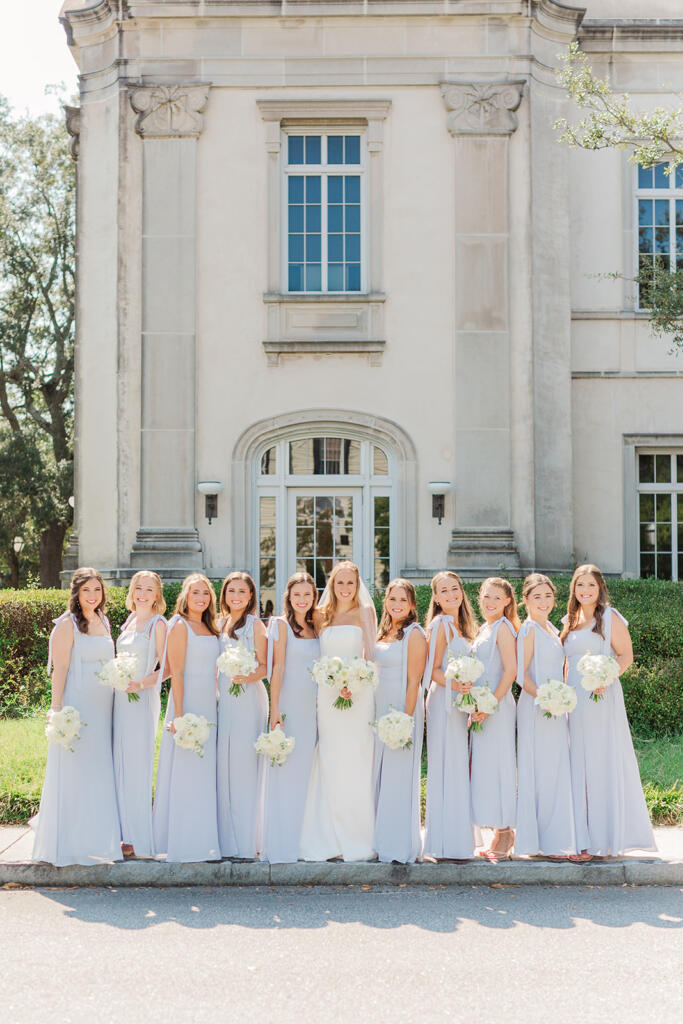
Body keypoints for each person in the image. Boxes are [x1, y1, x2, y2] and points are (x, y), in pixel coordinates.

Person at [562, 564, 655, 860]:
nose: (585, 590)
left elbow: (625, 655)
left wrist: (606, 678)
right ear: (574, 589)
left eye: (590, 585)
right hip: (573, 701)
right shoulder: (569, 619)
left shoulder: (610, 617)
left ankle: (603, 840)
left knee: (600, 762)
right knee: (577, 764)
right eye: (580, 585)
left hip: (600, 696)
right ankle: (582, 838)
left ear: (600, 588)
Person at [32, 567, 122, 866]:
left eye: (97, 590)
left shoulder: (105, 620)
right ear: (76, 593)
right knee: (75, 769)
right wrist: (56, 710)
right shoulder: (67, 625)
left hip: (103, 707)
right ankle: (69, 841)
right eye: (87, 590)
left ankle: (96, 839)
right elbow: (60, 669)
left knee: (99, 770)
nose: (93, 596)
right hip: (78, 706)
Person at [300, 560, 378, 862]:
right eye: (339, 583)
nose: (345, 588)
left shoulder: (366, 613)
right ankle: (326, 833)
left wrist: (357, 682)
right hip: (328, 695)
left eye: (350, 583)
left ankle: (359, 835)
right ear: (331, 585)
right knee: (330, 756)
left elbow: (370, 656)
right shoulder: (322, 615)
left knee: (357, 758)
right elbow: (318, 654)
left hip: (359, 697)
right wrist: (332, 681)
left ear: (358, 585)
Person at [153, 574, 220, 863]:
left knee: (205, 772)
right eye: (196, 592)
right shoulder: (178, 625)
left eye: (205, 593)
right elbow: (176, 673)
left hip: (209, 703)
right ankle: (182, 840)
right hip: (187, 702)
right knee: (186, 769)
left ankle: (203, 838)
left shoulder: (210, 626)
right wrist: (179, 716)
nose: (201, 598)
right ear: (185, 595)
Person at [261, 572, 320, 864]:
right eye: (297, 595)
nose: (302, 600)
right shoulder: (281, 626)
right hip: (290, 705)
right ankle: (282, 840)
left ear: (314, 597)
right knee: (287, 769)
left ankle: (306, 839)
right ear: (289, 596)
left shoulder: (318, 625)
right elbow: (278, 669)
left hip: (315, 706)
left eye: (307, 595)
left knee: (309, 771)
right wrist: (274, 709)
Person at [515, 574, 575, 858]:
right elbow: (520, 675)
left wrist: (561, 698)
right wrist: (545, 698)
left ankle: (555, 837)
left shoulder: (551, 628)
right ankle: (535, 840)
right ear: (524, 600)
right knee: (538, 771)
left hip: (556, 708)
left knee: (555, 770)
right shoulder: (528, 630)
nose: (543, 602)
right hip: (537, 708)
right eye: (536, 597)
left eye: (548, 596)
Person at [423, 571, 478, 860]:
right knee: (446, 765)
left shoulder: (461, 626)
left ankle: (455, 840)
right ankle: (443, 842)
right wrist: (456, 684)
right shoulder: (441, 624)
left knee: (457, 766)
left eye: (454, 589)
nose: (450, 595)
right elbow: (431, 670)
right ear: (435, 597)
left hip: (458, 703)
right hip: (443, 702)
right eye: (443, 591)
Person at [113, 571, 167, 859]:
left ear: (157, 595)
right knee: (120, 764)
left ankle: (138, 836)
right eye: (138, 588)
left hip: (141, 698)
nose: (142, 594)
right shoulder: (129, 621)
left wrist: (141, 683)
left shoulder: (159, 624)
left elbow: (167, 667)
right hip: (120, 700)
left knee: (137, 763)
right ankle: (122, 834)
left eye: (148, 589)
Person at [373, 579, 427, 864]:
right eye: (392, 599)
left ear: (412, 605)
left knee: (397, 777)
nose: (396, 605)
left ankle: (397, 845)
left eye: (402, 601)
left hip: (401, 710)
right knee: (379, 776)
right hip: (379, 709)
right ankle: (378, 841)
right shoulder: (383, 632)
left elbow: (414, 682)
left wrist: (405, 722)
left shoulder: (414, 634)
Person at [216, 571, 268, 859]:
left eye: (242, 592)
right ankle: (227, 839)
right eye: (231, 591)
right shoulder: (219, 624)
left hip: (248, 699)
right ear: (224, 594)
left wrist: (246, 676)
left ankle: (248, 840)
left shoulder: (255, 626)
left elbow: (265, 666)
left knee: (246, 766)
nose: (236, 596)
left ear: (250, 597)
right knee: (226, 766)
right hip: (226, 701)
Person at [470, 577, 519, 861]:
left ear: (507, 602)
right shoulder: (483, 629)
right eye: (486, 597)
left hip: (497, 706)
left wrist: (490, 705)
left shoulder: (502, 628)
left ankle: (505, 831)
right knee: (485, 767)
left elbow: (510, 671)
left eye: (496, 598)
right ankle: (496, 828)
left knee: (500, 764)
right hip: (480, 706)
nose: (489, 603)